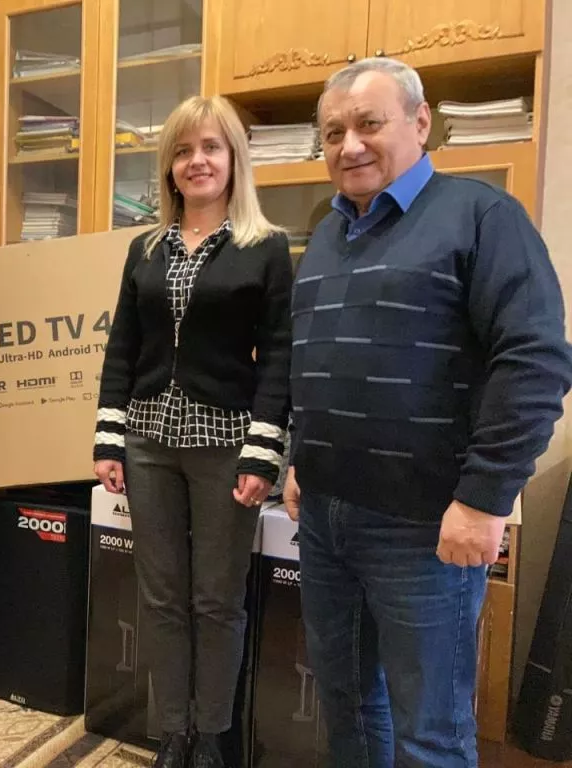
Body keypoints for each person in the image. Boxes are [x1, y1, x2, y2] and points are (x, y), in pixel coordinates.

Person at [284, 56, 572, 767]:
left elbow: (534, 361)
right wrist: (300, 458)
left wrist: (483, 499)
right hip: (324, 518)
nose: (350, 145)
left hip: (424, 529)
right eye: (333, 133)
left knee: (430, 733)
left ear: (420, 123)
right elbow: (315, 360)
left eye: (368, 124)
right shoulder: (326, 234)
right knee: (347, 708)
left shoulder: (482, 216)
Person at [93, 95, 293, 768]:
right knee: (161, 597)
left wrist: (262, 454)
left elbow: (281, 356)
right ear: (169, 168)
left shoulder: (265, 248)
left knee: (216, 600)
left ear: (233, 159)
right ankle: (173, 732)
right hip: (148, 443)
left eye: (210, 147)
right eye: (182, 150)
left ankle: (211, 737)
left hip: (226, 447)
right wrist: (108, 439)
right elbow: (123, 347)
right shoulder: (145, 248)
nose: (196, 161)